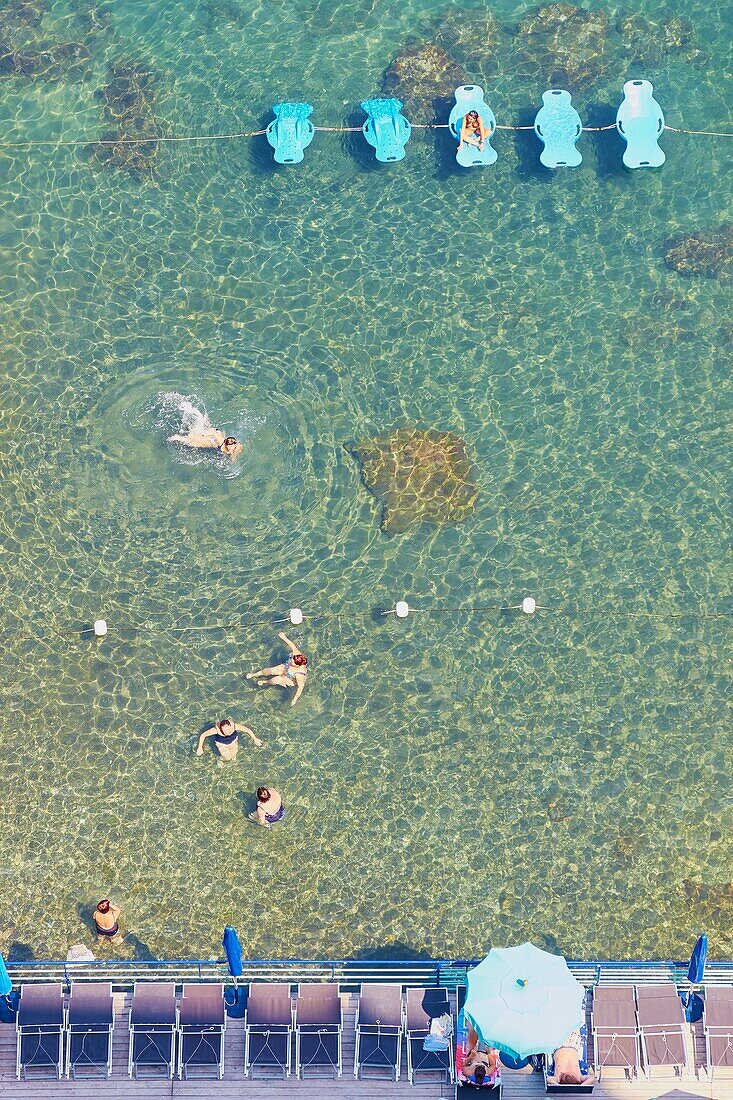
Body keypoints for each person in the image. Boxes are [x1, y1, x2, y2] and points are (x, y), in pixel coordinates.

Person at [246, 631, 308, 706]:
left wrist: (295, 699)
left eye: (293, 662)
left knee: (274, 680)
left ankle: (265, 682)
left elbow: (300, 687)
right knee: (268, 671)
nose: (291, 661)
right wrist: (284, 637)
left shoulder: (300, 674)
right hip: (285, 667)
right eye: (292, 659)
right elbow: (292, 646)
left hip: (291, 678)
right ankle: (254, 674)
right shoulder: (296, 654)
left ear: (298, 665)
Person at [167, 415, 242, 459]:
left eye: (231, 447)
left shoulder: (237, 446)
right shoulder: (222, 441)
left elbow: (234, 455)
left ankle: (204, 421)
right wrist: (203, 434)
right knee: (193, 442)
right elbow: (214, 433)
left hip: (215, 437)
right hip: (213, 437)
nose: (230, 449)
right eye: (229, 447)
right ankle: (176, 437)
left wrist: (233, 461)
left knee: (201, 432)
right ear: (225, 444)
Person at [196, 718, 263, 764]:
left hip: (233, 741)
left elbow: (247, 730)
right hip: (222, 744)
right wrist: (200, 748)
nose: (227, 732)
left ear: (230, 726)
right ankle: (219, 759)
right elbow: (203, 735)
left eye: (228, 730)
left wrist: (255, 739)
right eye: (224, 731)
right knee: (227, 758)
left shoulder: (235, 726)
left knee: (234, 755)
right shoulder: (216, 730)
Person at [462, 1020, 500, 1084]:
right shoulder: (488, 1072)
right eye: (481, 1065)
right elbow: (493, 1064)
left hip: (472, 1053)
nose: (479, 1063)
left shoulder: (468, 1072)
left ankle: (471, 1025)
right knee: (487, 1036)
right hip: (484, 1052)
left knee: (473, 1030)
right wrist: (488, 1053)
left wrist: (471, 1056)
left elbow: (463, 1065)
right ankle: (487, 1024)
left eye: (477, 1065)